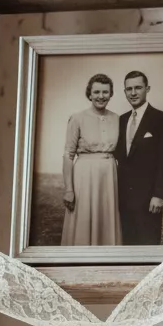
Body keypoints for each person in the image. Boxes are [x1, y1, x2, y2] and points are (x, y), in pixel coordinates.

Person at [114, 69, 163, 245]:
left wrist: (159, 195)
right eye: (129, 89)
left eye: (138, 88)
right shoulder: (121, 120)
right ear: (124, 91)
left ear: (147, 89)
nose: (133, 93)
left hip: (148, 199)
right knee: (125, 245)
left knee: (148, 244)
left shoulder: (162, 119)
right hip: (122, 197)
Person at [61, 73, 121, 246]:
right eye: (96, 92)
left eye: (105, 92)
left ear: (111, 94)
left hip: (109, 176)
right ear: (89, 94)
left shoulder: (117, 119)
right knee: (83, 218)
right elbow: (68, 154)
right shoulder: (77, 118)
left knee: (107, 217)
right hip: (84, 176)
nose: (101, 96)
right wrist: (69, 190)